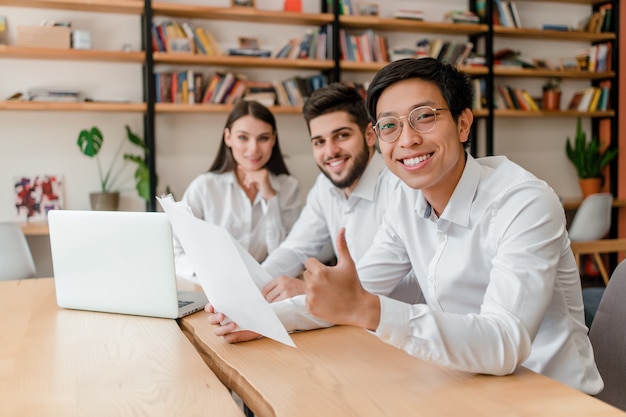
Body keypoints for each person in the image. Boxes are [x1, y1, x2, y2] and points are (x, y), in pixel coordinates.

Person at [208, 58, 603, 395]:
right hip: (461, 381)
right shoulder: (404, 198)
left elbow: (503, 343)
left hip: (549, 396)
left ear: (464, 124)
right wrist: (260, 318)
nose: (408, 139)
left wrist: (369, 310)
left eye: (425, 117)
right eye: (390, 126)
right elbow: (358, 290)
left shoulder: (524, 202)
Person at [258, 82, 419, 304]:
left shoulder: (400, 187)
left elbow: (377, 284)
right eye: (319, 142)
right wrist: (253, 285)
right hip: (349, 320)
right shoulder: (325, 186)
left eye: (342, 136)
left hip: (398, 324)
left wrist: (307, 290)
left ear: (370, 135)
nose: (330, 151)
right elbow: (295, 249)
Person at [174, 100, 302, 280]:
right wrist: (209, 275)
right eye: (243, 137)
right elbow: (175, 249)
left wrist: (269, 196)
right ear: (228, 137)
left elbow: (286, 257)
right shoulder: (204, 187)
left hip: (266, 289)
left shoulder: (289, 187)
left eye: (263, 138)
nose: (253, 149)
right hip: (212, 288)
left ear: (273, 139)